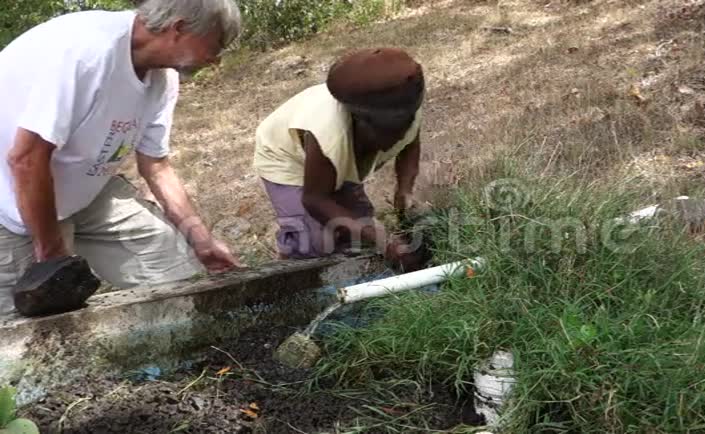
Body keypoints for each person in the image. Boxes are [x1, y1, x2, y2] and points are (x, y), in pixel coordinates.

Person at [0, 0, 243, 316]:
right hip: (11, 203)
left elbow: (156, 165)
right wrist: (52, 254)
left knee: (172, 267)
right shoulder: (85, 53)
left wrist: (202, 239)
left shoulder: (162, 79)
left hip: (84, 189)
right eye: (215, 46)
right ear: (180, 28)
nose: (216, 61)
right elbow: (26, 159)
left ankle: (191, 350)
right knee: (34, 329)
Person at [253, 47, 428, 272]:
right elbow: (315, 199)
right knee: (312, 244)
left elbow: (410, 147)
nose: (396, 137)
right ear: (360, 122)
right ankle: (288, 272)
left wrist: (405, 191)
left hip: (335, 160)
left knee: (356, 232)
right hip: (285, 155)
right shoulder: (328, 134)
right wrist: (384, 240)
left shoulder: (405, 107)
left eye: (401, 129)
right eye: (387, 133)